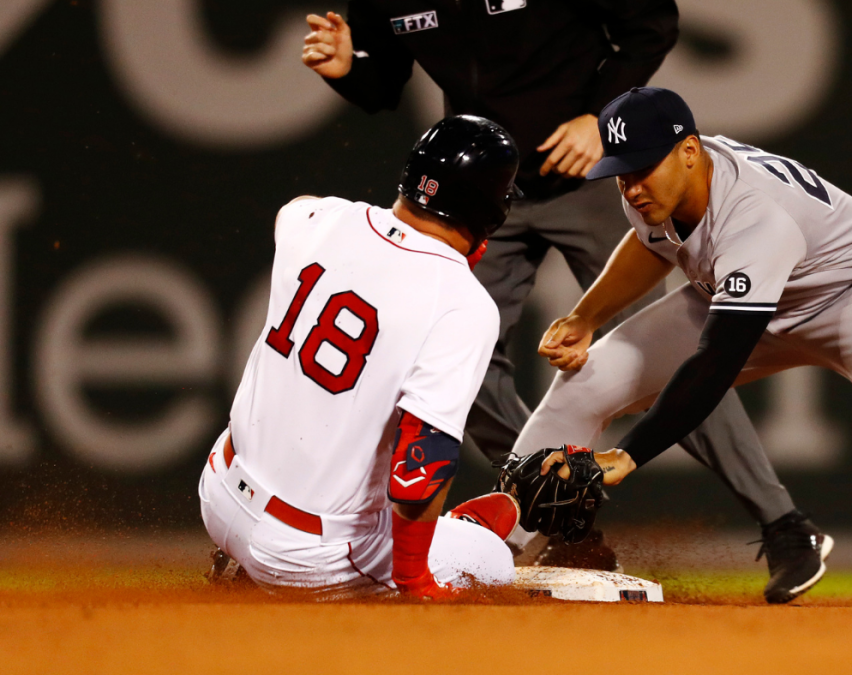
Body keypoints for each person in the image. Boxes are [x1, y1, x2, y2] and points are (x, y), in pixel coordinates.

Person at [299, 0, 817, 583]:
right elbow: (384, 81)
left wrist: (601, 117)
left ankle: (785, 526)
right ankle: (568, 526)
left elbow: (650, 22)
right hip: (490, 197)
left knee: (667, 358)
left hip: (588, 179)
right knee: (452, 364)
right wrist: (350, 68)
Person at [516, 87, 852, 609]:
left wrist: (628, 455)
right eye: (621, 173)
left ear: (689, 151)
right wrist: (587, 315)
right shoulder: (662, 184)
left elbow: (716, 361)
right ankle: (498, 548)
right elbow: (650, 244)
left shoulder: (753, 213)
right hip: (735, 294)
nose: (631, 187)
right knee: (584, 382)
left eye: (640, 170)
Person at [199, 116, 525, 599]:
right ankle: (459, 534)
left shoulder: (319, 218)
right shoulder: (464, 302)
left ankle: (242, 558)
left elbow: (293, 207)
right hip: (304, 553)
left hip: (218, 493)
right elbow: (423, 458)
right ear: (489, 212)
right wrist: (413, 581)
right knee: (494, 562)